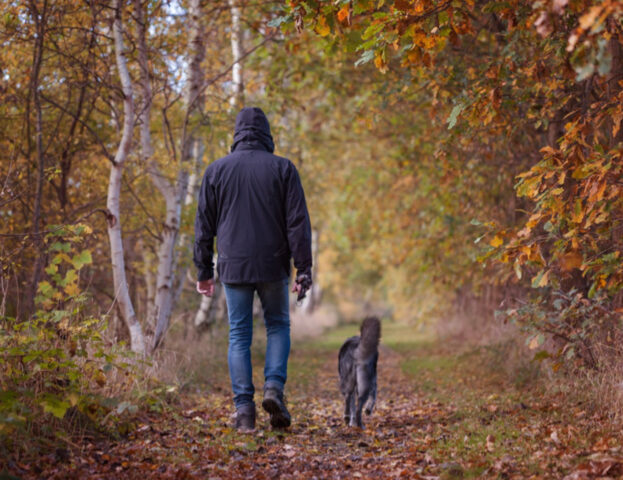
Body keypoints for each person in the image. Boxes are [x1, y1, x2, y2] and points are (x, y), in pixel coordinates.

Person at [193, 107, 312, 432]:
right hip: (273, 263)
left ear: (237, 133)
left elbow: (203, 225)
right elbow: (298, 223)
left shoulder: (216, 171)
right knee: (277, 326)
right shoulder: (283, 169)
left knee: (239, 335)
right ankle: (273, 388)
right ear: (266, 133)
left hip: (233, 266)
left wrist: (204, 269)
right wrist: (303, 268)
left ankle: (244, 412)